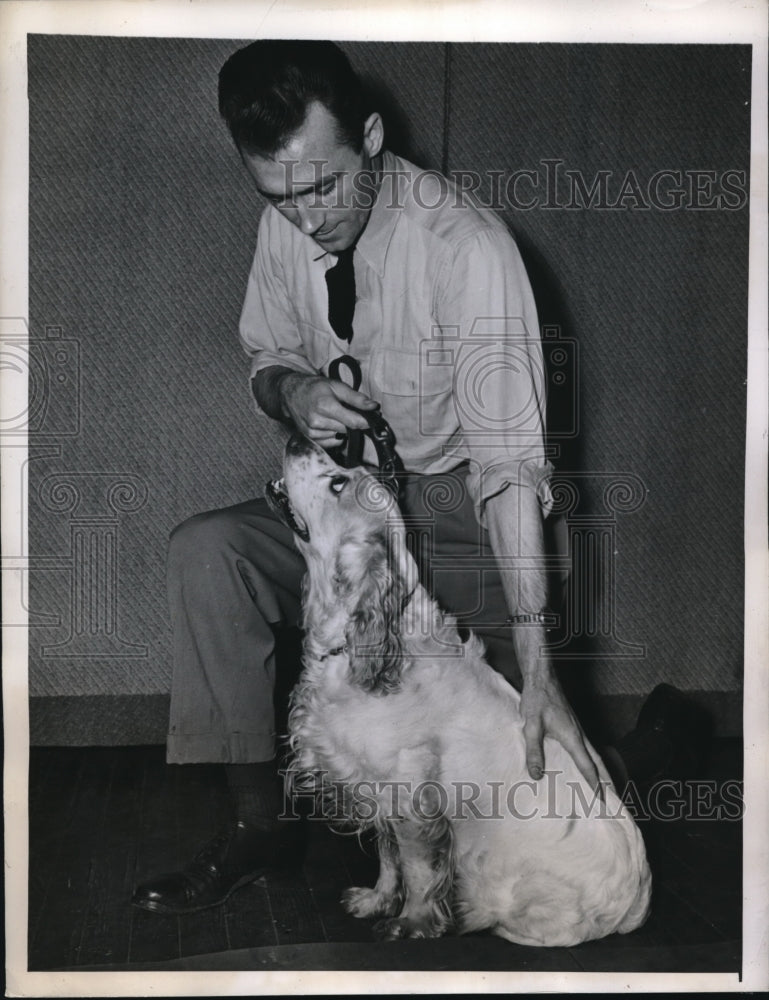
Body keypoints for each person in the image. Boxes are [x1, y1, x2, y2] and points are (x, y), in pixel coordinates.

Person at [132, 39, 604, 916]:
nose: (305, 219)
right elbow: (266, 358)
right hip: (356, 514)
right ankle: (260, 826)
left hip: (465, 509)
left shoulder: (466, 249)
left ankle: (650, 741)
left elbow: (508, 466)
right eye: (278, 197)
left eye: (322, 188)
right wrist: (292, 390)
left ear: (374, 138)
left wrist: (537, 661)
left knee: (524, 765)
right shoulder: (286, 221)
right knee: (209, 553)